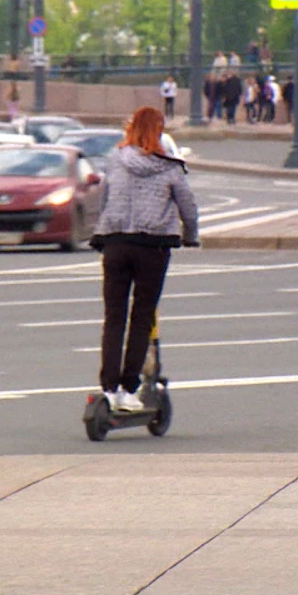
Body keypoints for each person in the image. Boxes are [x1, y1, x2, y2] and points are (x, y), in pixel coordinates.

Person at [91, 107, 199, 413]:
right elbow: (187, 206)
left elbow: (103, 196)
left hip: (115, 243)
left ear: (131, 128)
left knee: (114, 317)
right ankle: (129, 388)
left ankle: (109, 388)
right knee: (142, 317)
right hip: (152, 247)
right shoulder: (169, 167)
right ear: (159, 131)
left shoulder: (115, 159)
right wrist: (190, 235)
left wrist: (102, 229)